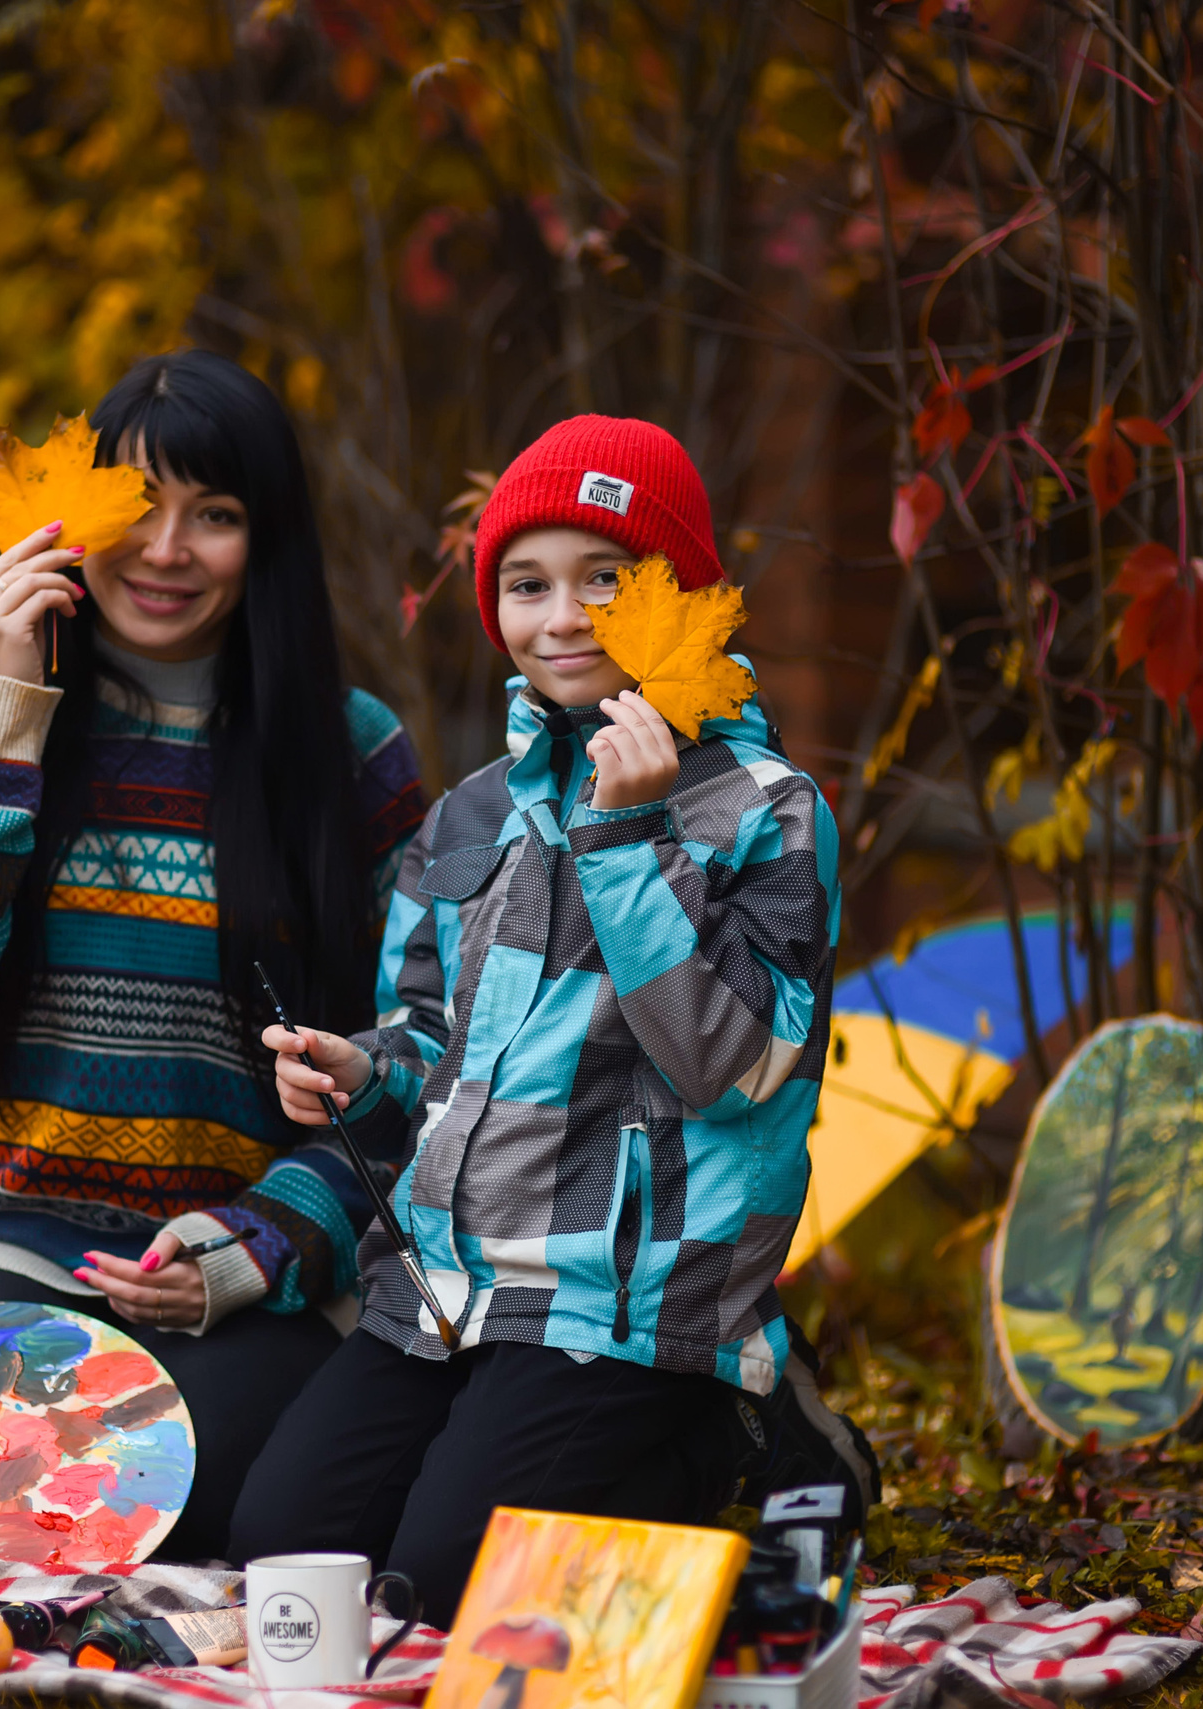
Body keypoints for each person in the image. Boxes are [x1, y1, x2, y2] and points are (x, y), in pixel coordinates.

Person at [226, 415, 843, 1616]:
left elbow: (734, 1062)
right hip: (449, 1285)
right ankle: (512, 1450)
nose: (560, 617)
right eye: (526, 583)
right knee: (287, 1544)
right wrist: (361, 1066)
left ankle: (729, 1428)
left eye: (603, 579)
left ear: (681, 593)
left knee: (455, 1581)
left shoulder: (767, 810)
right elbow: (431, 1040)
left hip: (623, 1300)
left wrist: (625, 840)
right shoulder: (471, 813)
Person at [0, 349, 428, 1561]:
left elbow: (419, 1059)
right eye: (136, 503)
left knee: (195, 1509)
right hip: (4, 1242)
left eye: (215, 514)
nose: (165, 548)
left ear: (267, 542)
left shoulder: (349, 757)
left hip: (239, 1273)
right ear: (72, 519)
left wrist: (259, 1244)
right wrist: (3, 728)